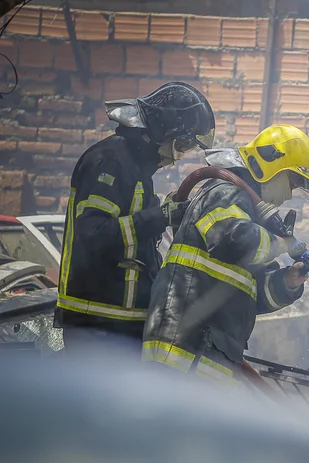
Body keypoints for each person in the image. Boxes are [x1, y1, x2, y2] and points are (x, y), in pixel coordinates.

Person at [141, 124, 309, 382]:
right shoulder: (225, 192)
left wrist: (288, 282)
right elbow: (230, 239)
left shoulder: (250, 214)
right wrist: (281, 244)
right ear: (272, 165)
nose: (290, 194)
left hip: (208, 353)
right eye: (292, 183)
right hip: (182, 349)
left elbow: (252, 296)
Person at [56, 82, 215, 354]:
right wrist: (159, 217)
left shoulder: (137, 168)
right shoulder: (110, 162)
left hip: (121, 322)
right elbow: (94, 235)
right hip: (97, 323)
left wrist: (163, 214)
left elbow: (136, 241)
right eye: (182, 143)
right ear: (162, 129)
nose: (179, 155)